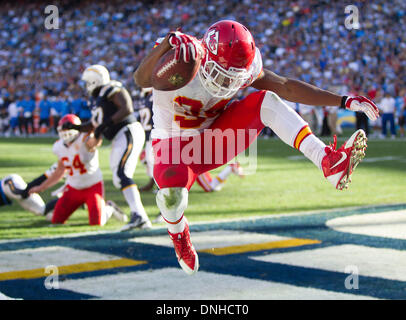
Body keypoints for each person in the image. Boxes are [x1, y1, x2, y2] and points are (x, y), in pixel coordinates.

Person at [134, 20, 380, 275]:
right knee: (172, 199)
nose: (227, 85)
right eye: (221, 74)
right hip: (173, 143)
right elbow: (140, 79)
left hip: (216, 136)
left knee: (267, 101)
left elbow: (286, 86)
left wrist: (343, 100)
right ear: (206, 56)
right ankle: (178, 233)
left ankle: (328, 162)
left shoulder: (246, 67)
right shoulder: (183, 53)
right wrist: (166, 44)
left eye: (234, 78)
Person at [63, 65, 151, 230]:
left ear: (94, 80)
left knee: (121, 173)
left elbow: (127, 108)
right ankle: (139, 216)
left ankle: (140, 216)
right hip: (119, 137)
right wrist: (76, 127)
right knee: (119, 178)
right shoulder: (98, 100)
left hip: (127, 131)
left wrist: (103, 127)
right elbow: (94, 124)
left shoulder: (111, 89)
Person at [29, 114, 127, 226]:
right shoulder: (58, 147)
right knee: (56, 220)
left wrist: (97, 130)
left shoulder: (85, 138)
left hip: (92, 186)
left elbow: (95, 142)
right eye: (64, 129)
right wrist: (41, 187)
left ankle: (109, 207)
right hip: (73, 188)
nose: (66, 133)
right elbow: (60, 171)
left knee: (97, 223)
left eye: (69, 129)